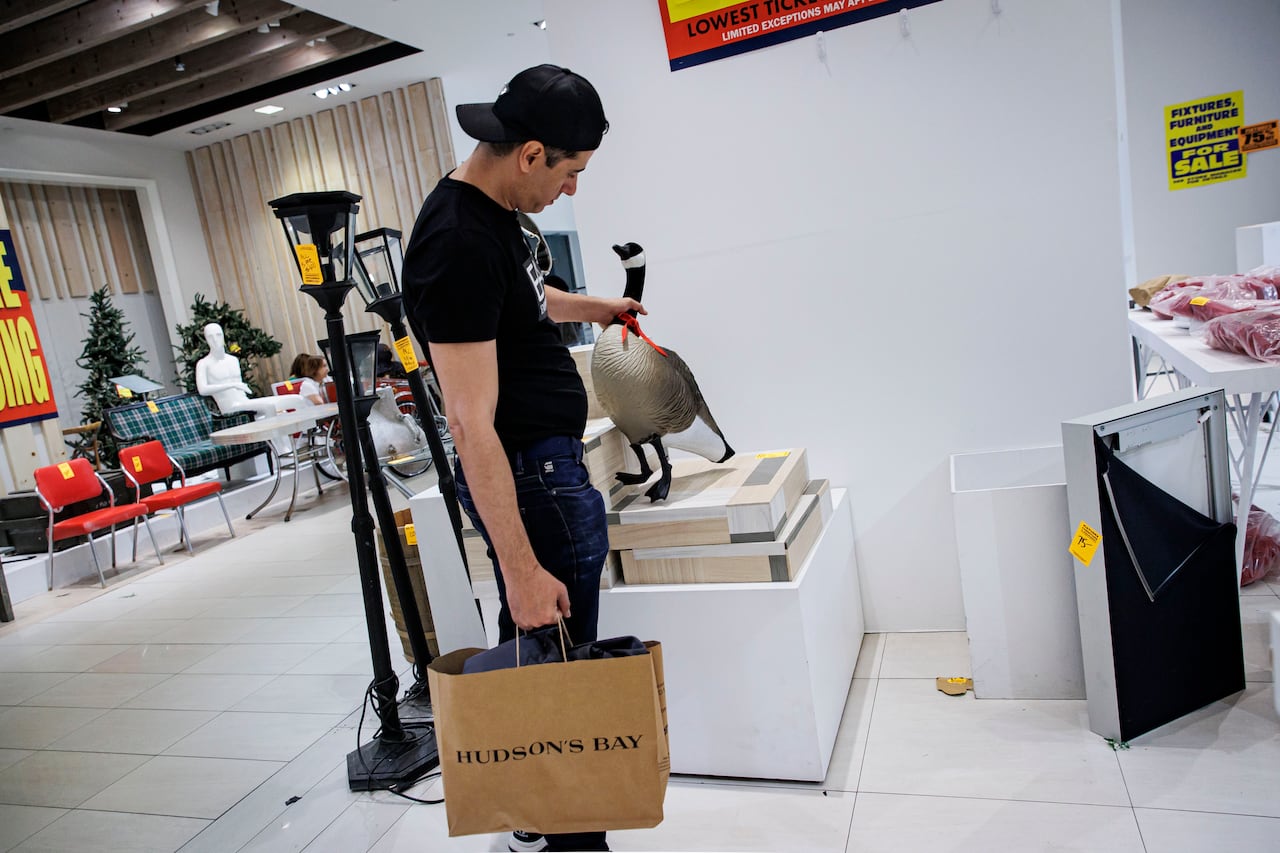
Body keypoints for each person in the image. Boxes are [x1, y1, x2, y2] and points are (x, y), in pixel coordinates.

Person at [401, 65, 643, 853]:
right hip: (532, 476)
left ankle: (539, 825)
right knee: (563, 670)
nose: (570, 191)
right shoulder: (459, 241)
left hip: (546, 469)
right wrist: (518, 566)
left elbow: (530, 300)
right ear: (531, 152)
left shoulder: (498, 209)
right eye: (570, 173)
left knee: (547, 657)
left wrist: (595, 306)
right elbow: (473, 424)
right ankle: (568, 836)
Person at [196, 323, 310, 416]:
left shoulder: (233, 360)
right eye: (210, 337)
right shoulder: (204, 364)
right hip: (230, 406)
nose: (215, 340)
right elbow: (202, 390)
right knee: (269, 407)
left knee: (298, 399)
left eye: (218, 335)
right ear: (206, 339)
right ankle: (282, 444)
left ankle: (307, 438)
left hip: (245, 401)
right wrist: (232, 385)